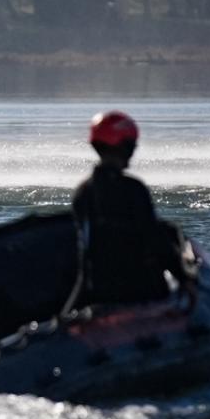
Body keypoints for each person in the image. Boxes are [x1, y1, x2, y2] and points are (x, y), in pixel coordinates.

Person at [70, 111, 196, 307]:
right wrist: (186, 279)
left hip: (99, 292)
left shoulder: (82, 192)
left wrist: (72, 307)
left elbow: (85, 254)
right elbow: (155, 240)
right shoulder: (133, 189)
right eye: (132, 145)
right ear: (125, 147)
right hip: (142, 291)